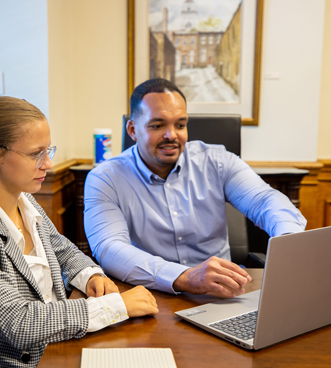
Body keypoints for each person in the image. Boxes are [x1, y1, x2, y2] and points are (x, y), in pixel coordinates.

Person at [0, 96, 158, 368]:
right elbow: (19, 323)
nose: (48, 164)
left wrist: (90, 276)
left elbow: (62, 248)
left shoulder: (24, 200)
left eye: (48, 151)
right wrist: (115, 307)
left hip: (51, 356)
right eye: (36, 153)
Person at [84, 78, 307, 297]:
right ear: (132, 129)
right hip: (150, 297)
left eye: (180, 125)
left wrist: (288, 240)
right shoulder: (105, 179)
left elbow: (265, 200)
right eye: (158, 125)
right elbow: (109, 248)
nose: (172, 135)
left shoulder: (218, 161)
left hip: (221, 293)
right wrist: (185, 277)